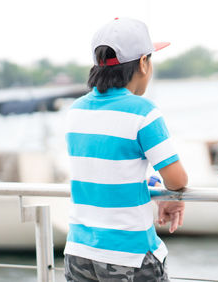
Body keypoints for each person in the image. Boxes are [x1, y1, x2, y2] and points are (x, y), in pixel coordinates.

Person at [63, 18, 188, 281]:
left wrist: (151, 183)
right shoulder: (143, 112)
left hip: (78, 253)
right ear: (143, 63)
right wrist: (170, 194)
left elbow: (108, 173)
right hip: (128, 256)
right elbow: (177, 180)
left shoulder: (76, 111)